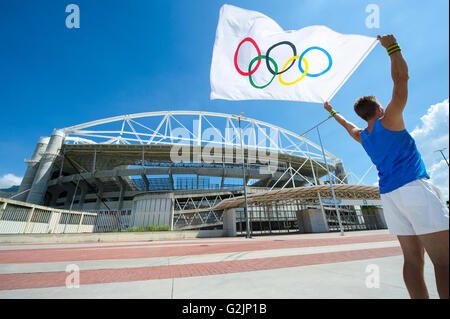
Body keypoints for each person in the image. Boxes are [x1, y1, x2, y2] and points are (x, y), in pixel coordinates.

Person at [323, 34, 449, 299]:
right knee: (444, 261)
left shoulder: (363, 137)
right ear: (379, 108)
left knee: (412, 260)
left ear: (363, 115)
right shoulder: (390, 119)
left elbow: (347, 126)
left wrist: (332, 112)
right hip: (414, 188)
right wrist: (393, 48)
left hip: (390, 196)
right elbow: (401, 80)